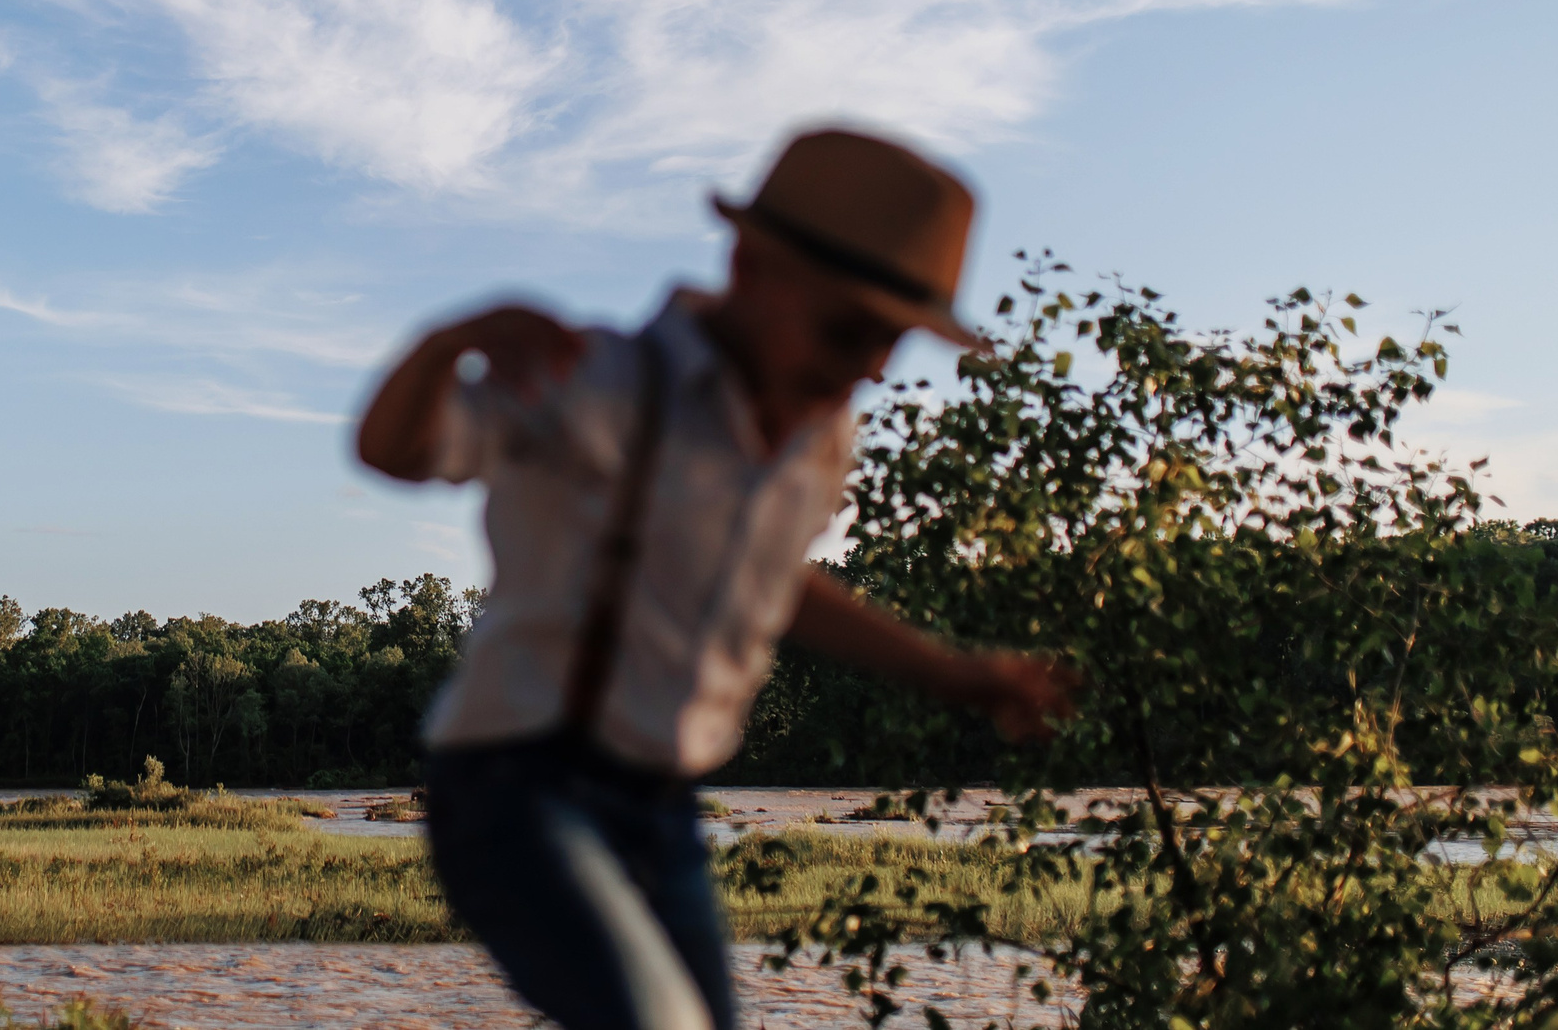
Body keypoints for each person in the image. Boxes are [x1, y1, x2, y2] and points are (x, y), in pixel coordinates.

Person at [355, 127, 1077, 1030]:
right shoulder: (601, 382)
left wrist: (954, 672)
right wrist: (449, 341)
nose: (873, 366)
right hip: (514, 791)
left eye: (892, 341)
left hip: (663, 811)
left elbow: (781, 584)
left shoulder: (819, 445)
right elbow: (388, 449)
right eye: (850, 328)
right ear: (750, 265)